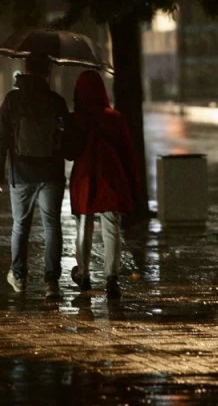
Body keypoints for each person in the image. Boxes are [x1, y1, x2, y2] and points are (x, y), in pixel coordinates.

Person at [0, 54, 72, 299]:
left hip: (22, 172)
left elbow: (1, 135)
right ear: (48, 73)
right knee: (52, 225)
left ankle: (19, 276)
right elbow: (67, 139)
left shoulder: (13, 99)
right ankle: (51, 283)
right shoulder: (56, 101)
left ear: (25, 69)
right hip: (51, 172)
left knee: (21, 225)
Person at [67, 70, 141, 299]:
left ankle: (84, 273)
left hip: (85, 179)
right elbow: (128, 155)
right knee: (112, 229)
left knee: (83, 227)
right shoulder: (115, 119)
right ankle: (111, 278)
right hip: (112, 179)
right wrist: (135, 186)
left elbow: (69, 153)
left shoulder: (75, 119)